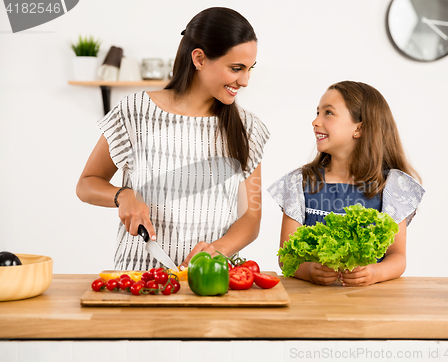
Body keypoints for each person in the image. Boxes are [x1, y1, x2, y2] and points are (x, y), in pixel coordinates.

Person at [76, 7, 269, 271]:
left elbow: (251, 216)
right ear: (199, 58)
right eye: (236, 68)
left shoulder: (248, 128)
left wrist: (218, 250)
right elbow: (86, 184)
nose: (245, 80)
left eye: (249, 69)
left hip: (210, 281)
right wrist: (123, 195)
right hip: (138, 277)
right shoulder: (135, 111)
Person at [268, 81, 424, 286]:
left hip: (368, 303)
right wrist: (309, 270)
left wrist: (374, 273)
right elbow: (286, 256)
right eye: (317, 112)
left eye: (328, 113)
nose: (315, 121)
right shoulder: (300, 182)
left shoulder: (390, 186)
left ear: (359, 128)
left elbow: (397, 257)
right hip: (311, 303)